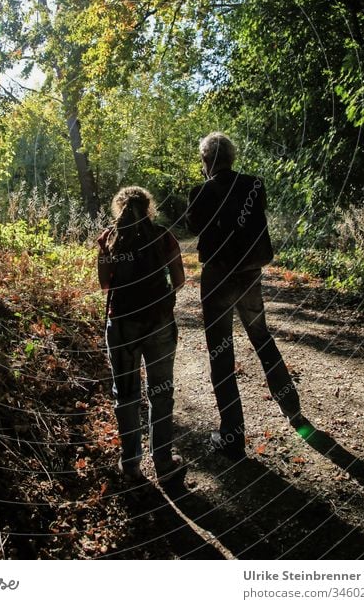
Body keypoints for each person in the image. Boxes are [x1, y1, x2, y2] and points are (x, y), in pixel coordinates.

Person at [186, 132, 304, 458]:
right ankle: (291, 407)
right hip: (249, 273)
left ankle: (232, 437)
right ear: (232, 157)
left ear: (206, 160)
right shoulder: (254, 185)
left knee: (221, 353)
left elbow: (194, 227)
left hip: (218, 276)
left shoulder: (201, 191)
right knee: (260, 335)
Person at [97, 186, 185, 482]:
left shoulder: (110, 239)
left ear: (118, 208)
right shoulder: (163, 236)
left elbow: (104, 286)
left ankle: (131, 465)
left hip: (122, 325)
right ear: (150, 208)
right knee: (161, 392)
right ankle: (162, 462)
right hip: (159, 322)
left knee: (126, 395)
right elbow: (180, 280)